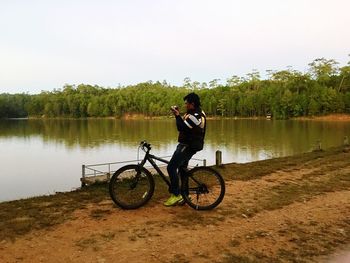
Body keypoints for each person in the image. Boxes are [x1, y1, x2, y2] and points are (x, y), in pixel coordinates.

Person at [164, 92, 206, 206]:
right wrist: (178, 114)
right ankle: (185, 195)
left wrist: (177, 115)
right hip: (188, 144)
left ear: (192, 103)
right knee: (182, 169)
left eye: (187, 103)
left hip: (188, 146)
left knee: (171, 167)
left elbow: (181, 127)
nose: (185, 105)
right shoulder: (194, 112)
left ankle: (176, 194)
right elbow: (186, 125)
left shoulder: (196, 115)